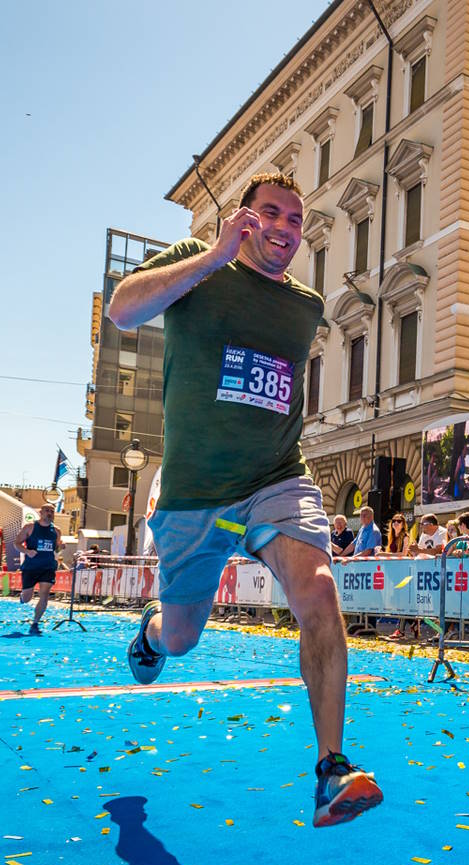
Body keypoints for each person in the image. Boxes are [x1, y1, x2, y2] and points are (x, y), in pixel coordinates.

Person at [105, 171, 382, 827]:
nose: (285, 228)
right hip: (195, 492)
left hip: (276, 478)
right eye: (272, 214)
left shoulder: (307, 306)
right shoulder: (200, 266)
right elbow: (122, 310)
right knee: (182, 636)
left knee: (318, 589)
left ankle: (332, 768)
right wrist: (213, 257)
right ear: (244, 218)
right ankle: (151, 631)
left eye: (295, 218)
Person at [16, 504, 61, 635]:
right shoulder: (30, 527)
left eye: (52, 511)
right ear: (40, 513)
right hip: (31, 567)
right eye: (47, 511)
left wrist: (61, 547)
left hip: (47, 566)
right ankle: (23, 597)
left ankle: (35, 623)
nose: (50, 513)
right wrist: (27, 551)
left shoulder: (56, 531)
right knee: (27, 598)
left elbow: (56, 548)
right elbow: (17, 543)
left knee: (45, 594)